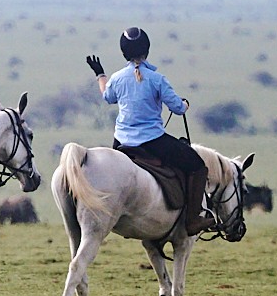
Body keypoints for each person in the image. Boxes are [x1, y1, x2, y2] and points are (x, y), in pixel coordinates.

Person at [88, 26, 216, 235]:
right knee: (198, 166)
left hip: (120, 143)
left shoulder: (118, 78)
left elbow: (107, 96)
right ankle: (193, 219)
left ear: (124, 53)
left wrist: (100, 74)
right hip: (152, 142)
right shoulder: (157, 79)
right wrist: (185, 104)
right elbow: (177, 108)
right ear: (147, 50)